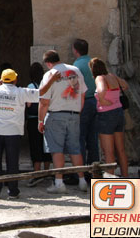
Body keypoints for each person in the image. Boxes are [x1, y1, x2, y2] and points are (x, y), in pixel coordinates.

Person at [38, 50, 88, 194]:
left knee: (56, 149)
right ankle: (82, 180)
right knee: (75, 148)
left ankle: (59, 182)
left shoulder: (49, 74)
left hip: (56, 115)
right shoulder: (76, 70)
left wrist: (41, 120)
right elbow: (83, 94)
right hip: (74, 114)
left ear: (48, 63)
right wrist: (78, 111)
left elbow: (44, 101)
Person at [0, 69, 40, 199]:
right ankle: (13, 190)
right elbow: (41, 93)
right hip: (14, 131)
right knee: (12, 162)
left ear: (2, 80)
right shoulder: (21, 92)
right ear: (15, 80)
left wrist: (0, 81)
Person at [89, 58, 128, 177]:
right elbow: (125, 85)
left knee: (108, 152)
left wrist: (102, 100)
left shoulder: (99, 78)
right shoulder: (112, 76)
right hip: (118, 112)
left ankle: (110, 180)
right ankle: (126, 176)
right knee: (121, 150)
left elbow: (101, 90)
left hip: (106, 114)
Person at [72, 39, 99, 168]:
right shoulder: (93, 62)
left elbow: (74, 87)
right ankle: (94, 169)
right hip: (96, 101)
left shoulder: (76, 66)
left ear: (75, 50)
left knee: (80, 138)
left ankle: (80, 171)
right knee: (93, 138)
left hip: (83, 102)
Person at [25, 62, 51, 187]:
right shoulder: (46, 85)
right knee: (46, 145)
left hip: (33, 119)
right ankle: (47, 171)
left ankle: (36, 172)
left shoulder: (31, 86)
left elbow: (29, 104)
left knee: (35, 145)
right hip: (45, 117)